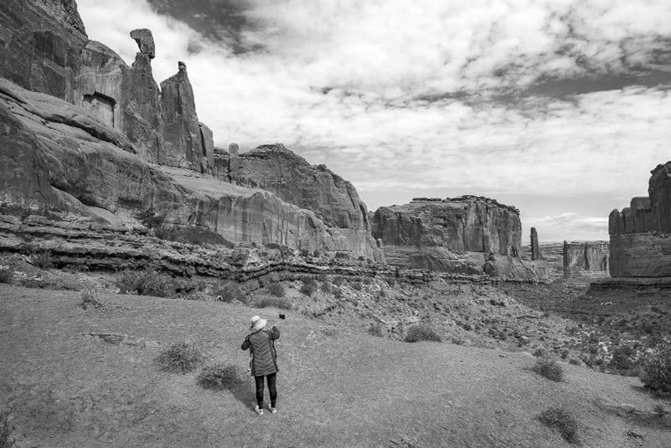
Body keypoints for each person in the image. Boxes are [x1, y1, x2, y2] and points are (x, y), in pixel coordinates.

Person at [241, 315, 280, 415]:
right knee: (272, 386)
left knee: (260, 387)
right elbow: (277, 334)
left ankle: (261, 410)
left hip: (258, 367)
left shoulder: (250, 337)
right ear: (261, 325)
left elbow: (243, 347)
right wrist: (274, 328)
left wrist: (247, 340)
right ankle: (273, 408)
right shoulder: (268, 334)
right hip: (270, 364)